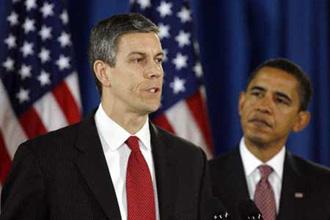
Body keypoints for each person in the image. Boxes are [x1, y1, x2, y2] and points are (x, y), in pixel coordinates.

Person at [1, 13, 213, 220]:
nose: (155, 71)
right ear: (103, 72)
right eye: (139, 60)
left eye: (158, 60)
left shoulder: (191, 161)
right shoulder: (43, 159)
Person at [209, 58, 330, 220]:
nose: (263, 106)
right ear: (241, 103)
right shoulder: (203, 180)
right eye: (257, 93)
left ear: (300, 121)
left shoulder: (324, 185)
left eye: (280, 100)